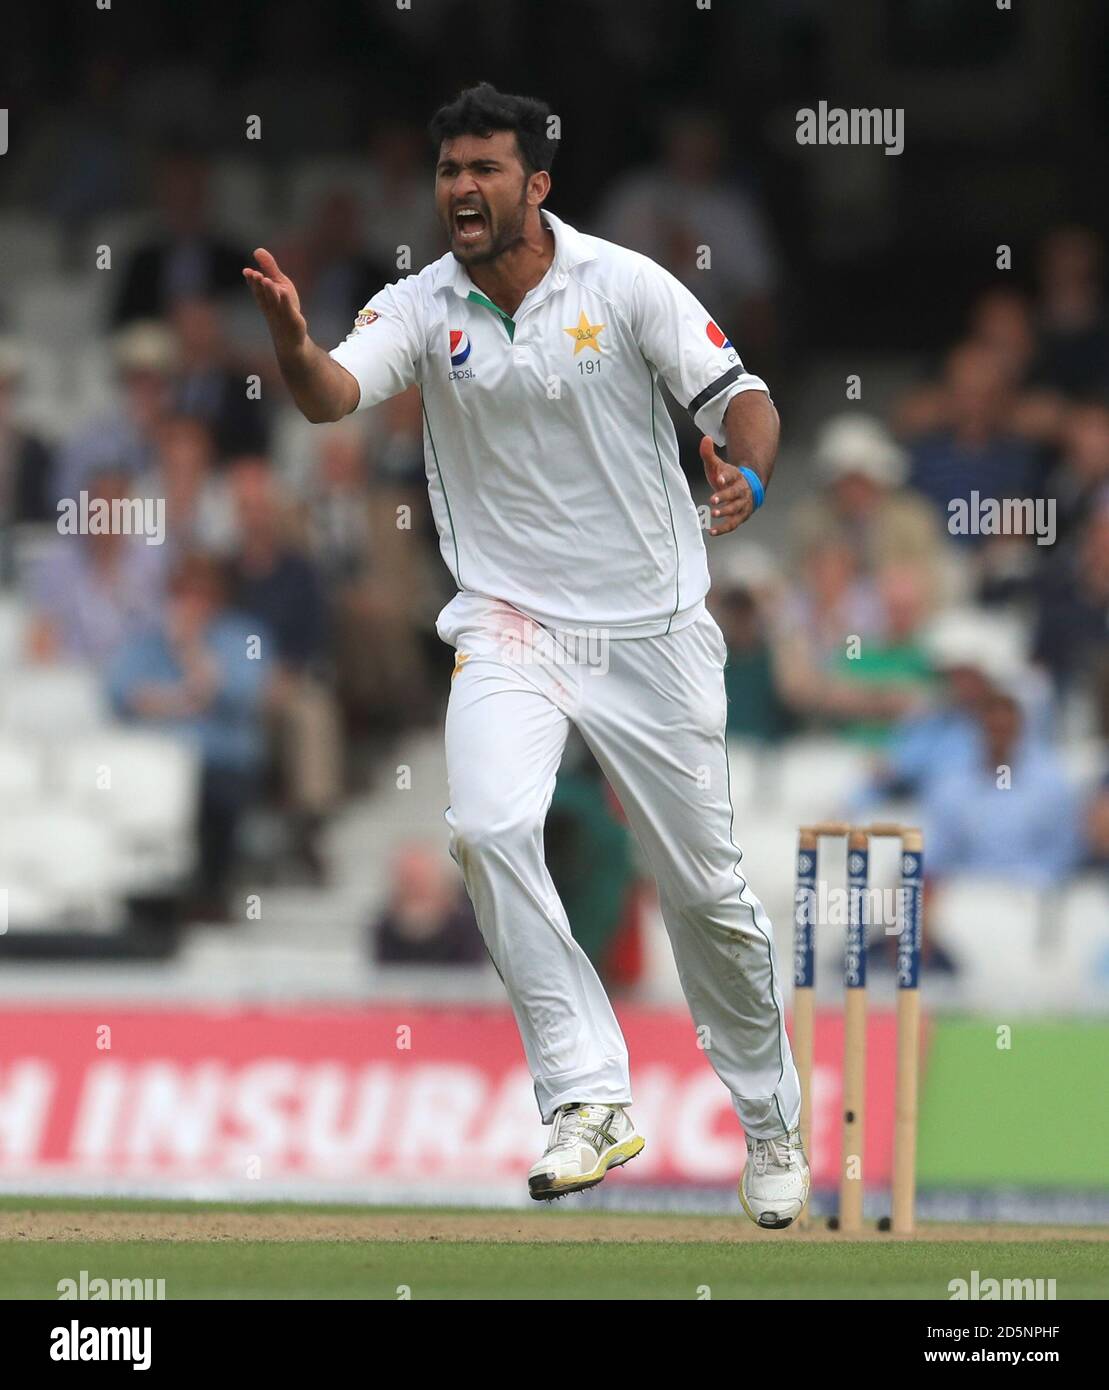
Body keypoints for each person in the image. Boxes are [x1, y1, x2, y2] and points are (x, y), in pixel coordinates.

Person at [244, 83, 807, 1228]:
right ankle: (587, 1098)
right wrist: (297, 345)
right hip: (509, 621)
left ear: (534, 185)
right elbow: (330, 399)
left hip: (652, 627)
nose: (461, 187)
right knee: (489, 824)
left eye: (485, 169)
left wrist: (742, 473)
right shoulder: (421, 303)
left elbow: (742, 396)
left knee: (702, 893)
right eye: (449, 169)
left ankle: (769, 1123)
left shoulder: (625, 283)